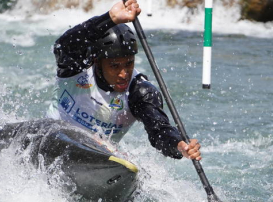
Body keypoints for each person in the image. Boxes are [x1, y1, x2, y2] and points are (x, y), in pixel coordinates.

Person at [47, 0, 201, 161]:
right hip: (51, 137)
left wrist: (179, 146)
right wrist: (109, 18)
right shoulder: (77, 68)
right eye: (114, 66)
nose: (123, 74)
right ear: (96, 62)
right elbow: (64, 45)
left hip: (94, 156)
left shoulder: (140, 92)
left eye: (129, 64)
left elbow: (159, 131)